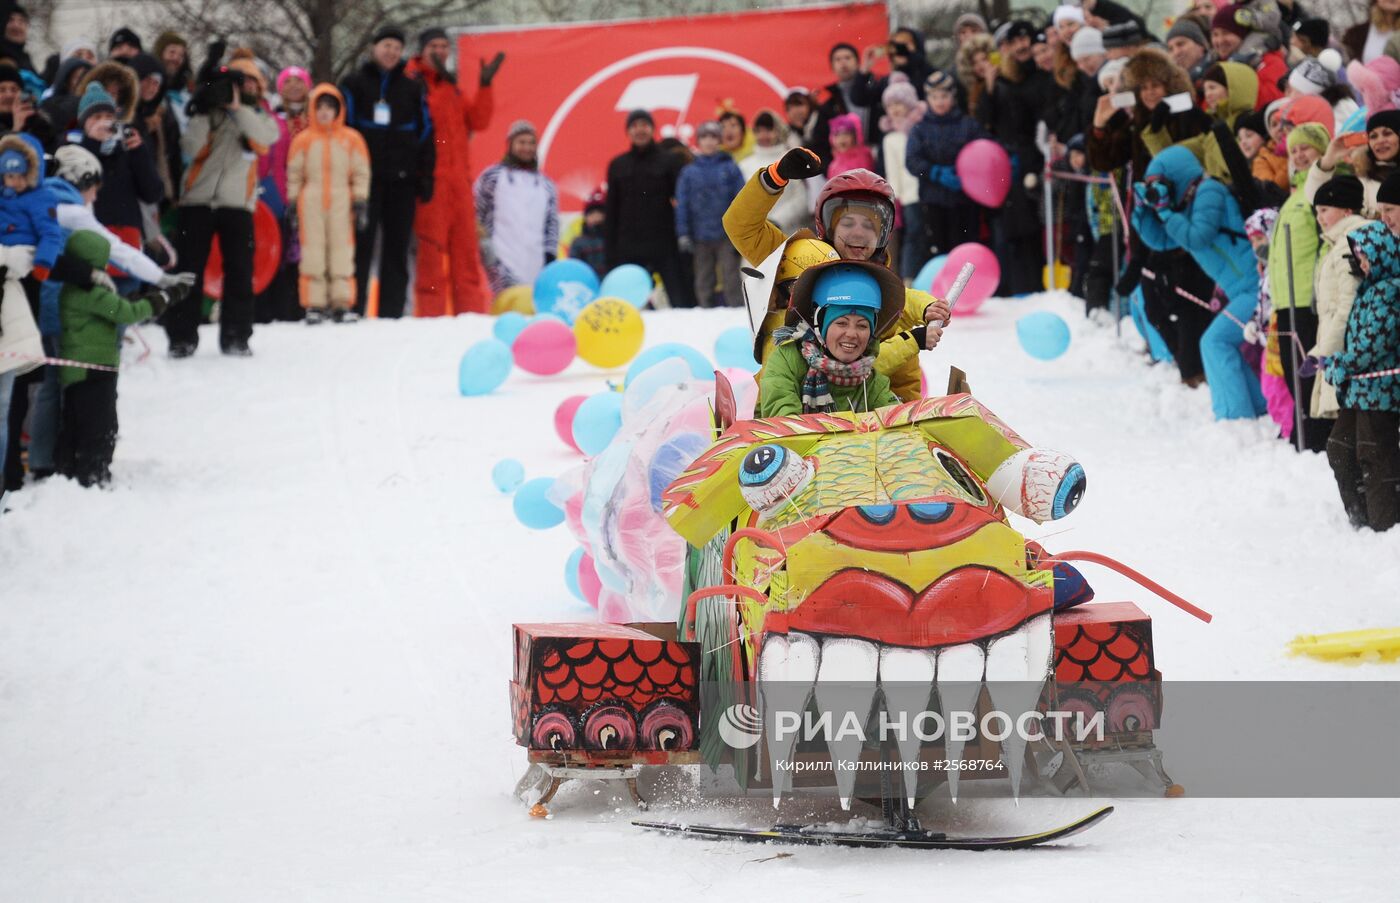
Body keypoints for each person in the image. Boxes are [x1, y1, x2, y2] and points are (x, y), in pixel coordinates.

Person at [722, 148, 950, 401]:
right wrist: (774, 178)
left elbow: (907, 303)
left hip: (864, 416)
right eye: (848, 223)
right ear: (827, 226)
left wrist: (928, 307)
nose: (858, 233)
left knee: (894, 325)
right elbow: (740, 226)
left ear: (883, 234)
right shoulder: (793, 258)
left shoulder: (884, 289)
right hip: (786, 405)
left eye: (869, 226)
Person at [1133, 145, 1268, 420]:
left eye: (1161, 185)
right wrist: (1143, 212)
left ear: (1178, 177)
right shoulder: (1187, 207)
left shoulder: (1209, 191)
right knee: (1223, 342)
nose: (1161, 192)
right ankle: (1257, 407)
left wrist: (1165, 212)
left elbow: (1198, 236)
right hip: (1241, 289)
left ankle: (1235, 416)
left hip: (1255, 285)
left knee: (1214, 342)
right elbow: (1163, 241)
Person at [165, 63, 279, 356]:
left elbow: (267, 138)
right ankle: (181, 338)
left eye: (252, 82)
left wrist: (237, 108)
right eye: (241, 83)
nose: (247, 87)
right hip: (197, 202)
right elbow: (190, 146)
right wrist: (204, 108)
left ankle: (236, 336)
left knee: (240, 272)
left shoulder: (258, 115)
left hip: (238, 204)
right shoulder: (205, 112)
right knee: (189, 272)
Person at [56, 231, 178, 487]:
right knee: (100, 426)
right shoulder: (92, 292)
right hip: (96, 369)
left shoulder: (72, 288)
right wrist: (161, 300)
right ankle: (94, 473)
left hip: (77, 371)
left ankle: (68, 470)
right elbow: (125, 313)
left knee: (75, 423)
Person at [340, 26, 436, 318]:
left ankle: (392, 311)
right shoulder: (354, 83)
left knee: (397, 247)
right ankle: (354, 306)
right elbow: (344, 130)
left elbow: (427, 133)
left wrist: (426, 174)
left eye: (396, 47)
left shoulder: (412, 87)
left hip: (402, 180)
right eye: (386, 46)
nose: (391, 52)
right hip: (364, 181)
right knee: (361, 245)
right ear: (374, 47)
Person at [407, 27, 502, 316]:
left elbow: (479, 120)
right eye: (434, 45)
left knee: (465, 253)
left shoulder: (452, 88)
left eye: (444, 46)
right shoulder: (413, 83)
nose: (440, 51)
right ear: (422, 50)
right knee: (431, 255)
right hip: (432, 182)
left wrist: (485, 86)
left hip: (459, 182)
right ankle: (431, 317)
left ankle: (470, 314)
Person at [1323, 219, 1400, 530]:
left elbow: (1374, 342)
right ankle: (1361, 517)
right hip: (1360, 390)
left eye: (1366, 255)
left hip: (1380, 392)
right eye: (1359, 256)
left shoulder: (1390, 291)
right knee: (1340, 447)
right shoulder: (1369, 290)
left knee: (1374, 455)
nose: (1363, 263)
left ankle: (1385, 524)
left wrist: (1341, 364)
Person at [759, 260, 904, 417]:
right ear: (820, 325)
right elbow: (784, 419)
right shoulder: (786, 362)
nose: (851, 334)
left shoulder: (873, 384)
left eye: (862, 326)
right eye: (841, 323)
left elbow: (896, 422)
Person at [1269, 122, 1332, 449]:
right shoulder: (1295, 193)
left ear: (1323, 152)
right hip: (1285, 297)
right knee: (1294, 372)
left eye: (1306, 148)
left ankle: (1315, 438)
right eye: (1293, 150)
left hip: (1307, 298)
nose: (1299, 155)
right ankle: (1306, 433)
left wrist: (1318, 288)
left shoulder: (1316, 190)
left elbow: (1326, 240)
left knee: (1308, 376)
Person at [977, 20, 1052, 295]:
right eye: (1014, 42)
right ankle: (1018, 285)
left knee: (1037, 226)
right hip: (1010, 161)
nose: (1022, 46)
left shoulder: (1042, 77)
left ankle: (1037, 283)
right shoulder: (1000, 81)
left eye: (1026, 40)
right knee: (1014, 226)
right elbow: (985, 119)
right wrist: (989, 84)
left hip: (1036, 157)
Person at [285, 84, 369, 324]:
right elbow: (294, 173)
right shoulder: (303, 140)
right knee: (313, 250)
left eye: (329, 107)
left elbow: (361, 172)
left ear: (338, 110)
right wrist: (292, 201)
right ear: (312, 109)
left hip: (342, 199)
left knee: (341, 250)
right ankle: (315, 303)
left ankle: (341, 302)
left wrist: (360, 199)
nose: (324, 112)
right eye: (319, 107)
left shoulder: (352, 139)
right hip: (310, 200)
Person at [604, 109, 690, 308]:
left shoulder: (669, 161)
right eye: (634, 126)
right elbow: (612, 211)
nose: (640, 130)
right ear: (628, 131)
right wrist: (611, 252)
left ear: (652, 129)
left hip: (664, 244)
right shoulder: (618, 165)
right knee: (631, 305)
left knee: (680, 302)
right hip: (628, 247)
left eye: (644, 125)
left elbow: (682, 202)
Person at [905, 69, 984, 261]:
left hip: (964, 199)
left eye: (944, 96)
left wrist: (966, 173)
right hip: (933, 201)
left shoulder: (968, 125)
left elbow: (982, 152)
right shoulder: (920, 129)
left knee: (964, 247)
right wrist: (934, 172)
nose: (940, 101)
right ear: (927, 99)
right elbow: (912, 161)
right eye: (934, 97)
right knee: (938, 250)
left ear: (953, 97)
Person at [474, 119, 559, 296]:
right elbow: (475, 212)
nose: (527, 148)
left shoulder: (546, 185)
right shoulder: (492, 176)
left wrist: (550, 258)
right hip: (499, 263)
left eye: (531, 143)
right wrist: (485, 247)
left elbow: (551, 225)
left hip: (536, 264)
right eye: (521, 142)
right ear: (510, 144)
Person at [1308, 176, 1368, 423]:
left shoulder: (1349, 243)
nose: (1319, 218)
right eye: (1317, 212)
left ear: (1346, 210)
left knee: (1351, 442)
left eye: (1324, 210)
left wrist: (1326, 352)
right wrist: (1317, 352)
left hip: (1347, 354)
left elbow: (1348, 305)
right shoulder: (1339, 242)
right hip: (1340, 349)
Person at [675, 120, 744, 308]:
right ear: (698, 141)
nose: (709, 141)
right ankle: (705, 314)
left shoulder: (730, 167)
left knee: (731, 278)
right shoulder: (689, 172)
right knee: (704, 279)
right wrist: (683, 233)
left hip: (726, 235)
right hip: (700, 236)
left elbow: (742, 201)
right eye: (704, 137)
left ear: (719, 140)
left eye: (713, 137)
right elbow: (682, 205)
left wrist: (741, 231)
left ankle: (736, 313)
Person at [1307, 110, 1400, 219]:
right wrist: (1328, 159)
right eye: (1373, 136)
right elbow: (1317, 198)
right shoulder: (1363, 181)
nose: (1380, 141)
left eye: (1387, 133)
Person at [878, 76, 926, 282]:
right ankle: (909, 275)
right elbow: (893, 170)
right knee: (913, 236)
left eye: (899, 104)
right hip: (907, 196)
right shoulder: (891, 138)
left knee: (925, 234)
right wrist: (895, 196)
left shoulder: (920, 130)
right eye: (890, 105)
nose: (895, 109)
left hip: (926, 191)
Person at [741, 110, 808, 234]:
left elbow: (802, 199)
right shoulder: (744, 165)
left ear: (778, 131)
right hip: (754, 238)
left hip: (787, 234)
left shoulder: (791, 161)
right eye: (759, 131)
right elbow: (739, 202)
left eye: (768, 130)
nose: (763, 136)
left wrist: (777, 221)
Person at [824, 43, 870, 147]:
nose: (843, 62)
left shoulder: (873, 88)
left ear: (858, 62)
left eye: (848, 58)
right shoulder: (830, 102)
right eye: (838, 59)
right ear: (832, 66)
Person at [152, 31, 192, 128]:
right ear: (160, 53)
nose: (176, 58)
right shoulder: (149, 89)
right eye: (172, 52)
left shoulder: (185, 93)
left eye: (181, 55)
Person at [569, 191, 607, 280]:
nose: (596, 216)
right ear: (585, 217)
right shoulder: (578, 242)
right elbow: (574, 270)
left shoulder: (613, 240)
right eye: (591, 213)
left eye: (600, 212)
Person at [1166, 17, 1213, 83]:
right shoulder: (1173, 84)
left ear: (1201, 45)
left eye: (1180, 44)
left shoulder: (1217, 74)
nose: (1176, 52)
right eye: (1171, 49)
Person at [826, 113, 874, 177]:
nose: (842, 138)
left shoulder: (863, 157)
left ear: (854, 136)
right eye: (837, 135)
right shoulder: (833, 166)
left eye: (846, 134)